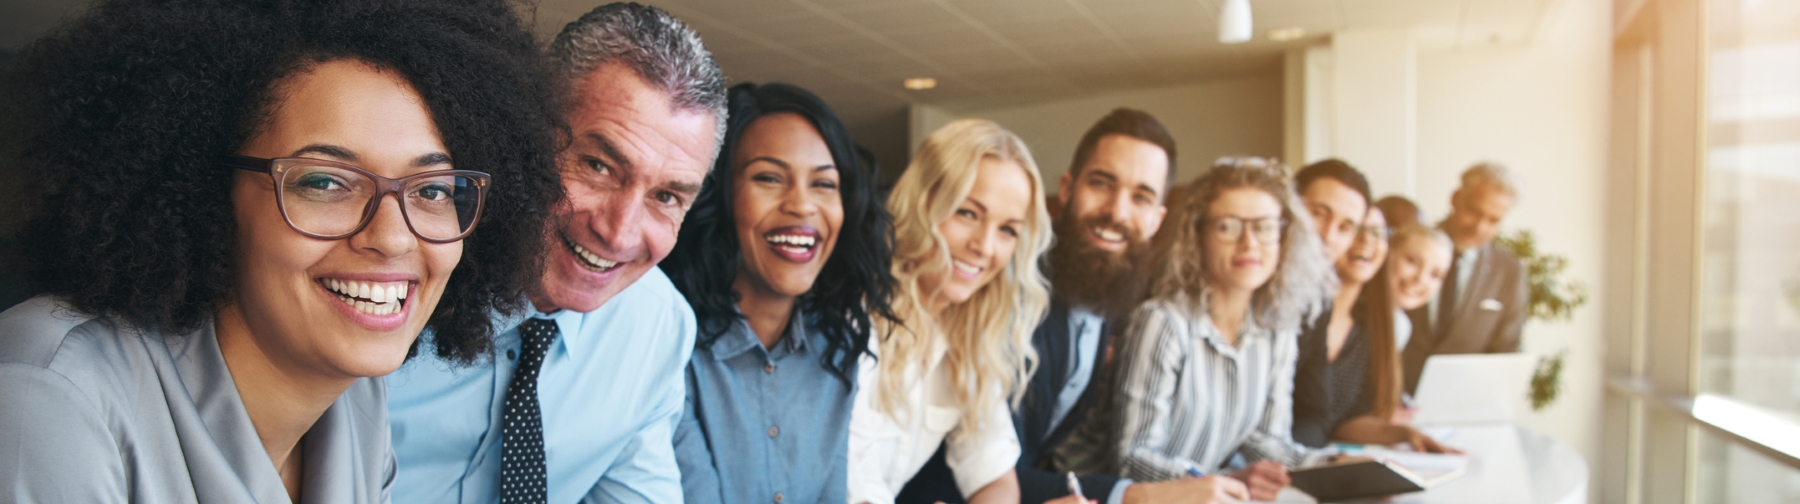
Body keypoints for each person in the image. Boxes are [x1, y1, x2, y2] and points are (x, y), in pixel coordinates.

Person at [0, 0, 562, 501]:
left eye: (434, 190)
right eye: (325, 182)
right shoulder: (47, 399)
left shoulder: (358, 404)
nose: (392, 237)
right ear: (205, 192)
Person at [385, 4, 726, 503]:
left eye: (667, 196)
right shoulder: (392, 270)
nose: (620, 233)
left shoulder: (657, 325)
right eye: (599, 165)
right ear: (525, 131)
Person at [900, 109, 1246, 504]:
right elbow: (989, 469)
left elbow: (1008, 465)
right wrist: (1144, 495)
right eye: (1102, 184)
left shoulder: (1110, 294)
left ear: (1156, 219)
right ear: (1066, 189)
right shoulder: (996, 291)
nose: (1116, 211)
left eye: (1140, 197)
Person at [660, 82, 896, 504]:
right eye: (769, 178)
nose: (802, 205)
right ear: (720, 195)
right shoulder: (669, 343)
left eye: (823, 184)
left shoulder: (838, 346)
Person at [1054, 157, 1337, 502]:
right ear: (1198, 235)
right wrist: (1216, 480)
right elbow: (1131, 459)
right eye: (1229, 227)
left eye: (1265, 227)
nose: (1250, 243)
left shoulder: (1278, 328)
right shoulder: (1162, 321)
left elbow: (1264, 441)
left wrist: (1334, 465)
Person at [846, 119, 1055, 504]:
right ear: (923, 201)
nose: (985, 246)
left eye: (1008, 230)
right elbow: (847, 485)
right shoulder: (853, 317)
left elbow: (995, 477)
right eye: (967, 213)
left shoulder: (968, 335)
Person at [1289, 208, 1459, 453]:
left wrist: (1405, 433)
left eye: (1436, 275)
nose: (1420, 279)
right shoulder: (1312, 309)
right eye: (1411, 261)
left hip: (1316, 456)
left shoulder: (1384, 328)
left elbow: (1343, 420)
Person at [1401, 162, 1528, 392]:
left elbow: (1505, 351)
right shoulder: (1407, 248)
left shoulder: (1508, 270)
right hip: (1390, 400)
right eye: (1474, 211)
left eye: (1493, 220)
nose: (1479, 227)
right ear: (1455, 199)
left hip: (1461, 404)